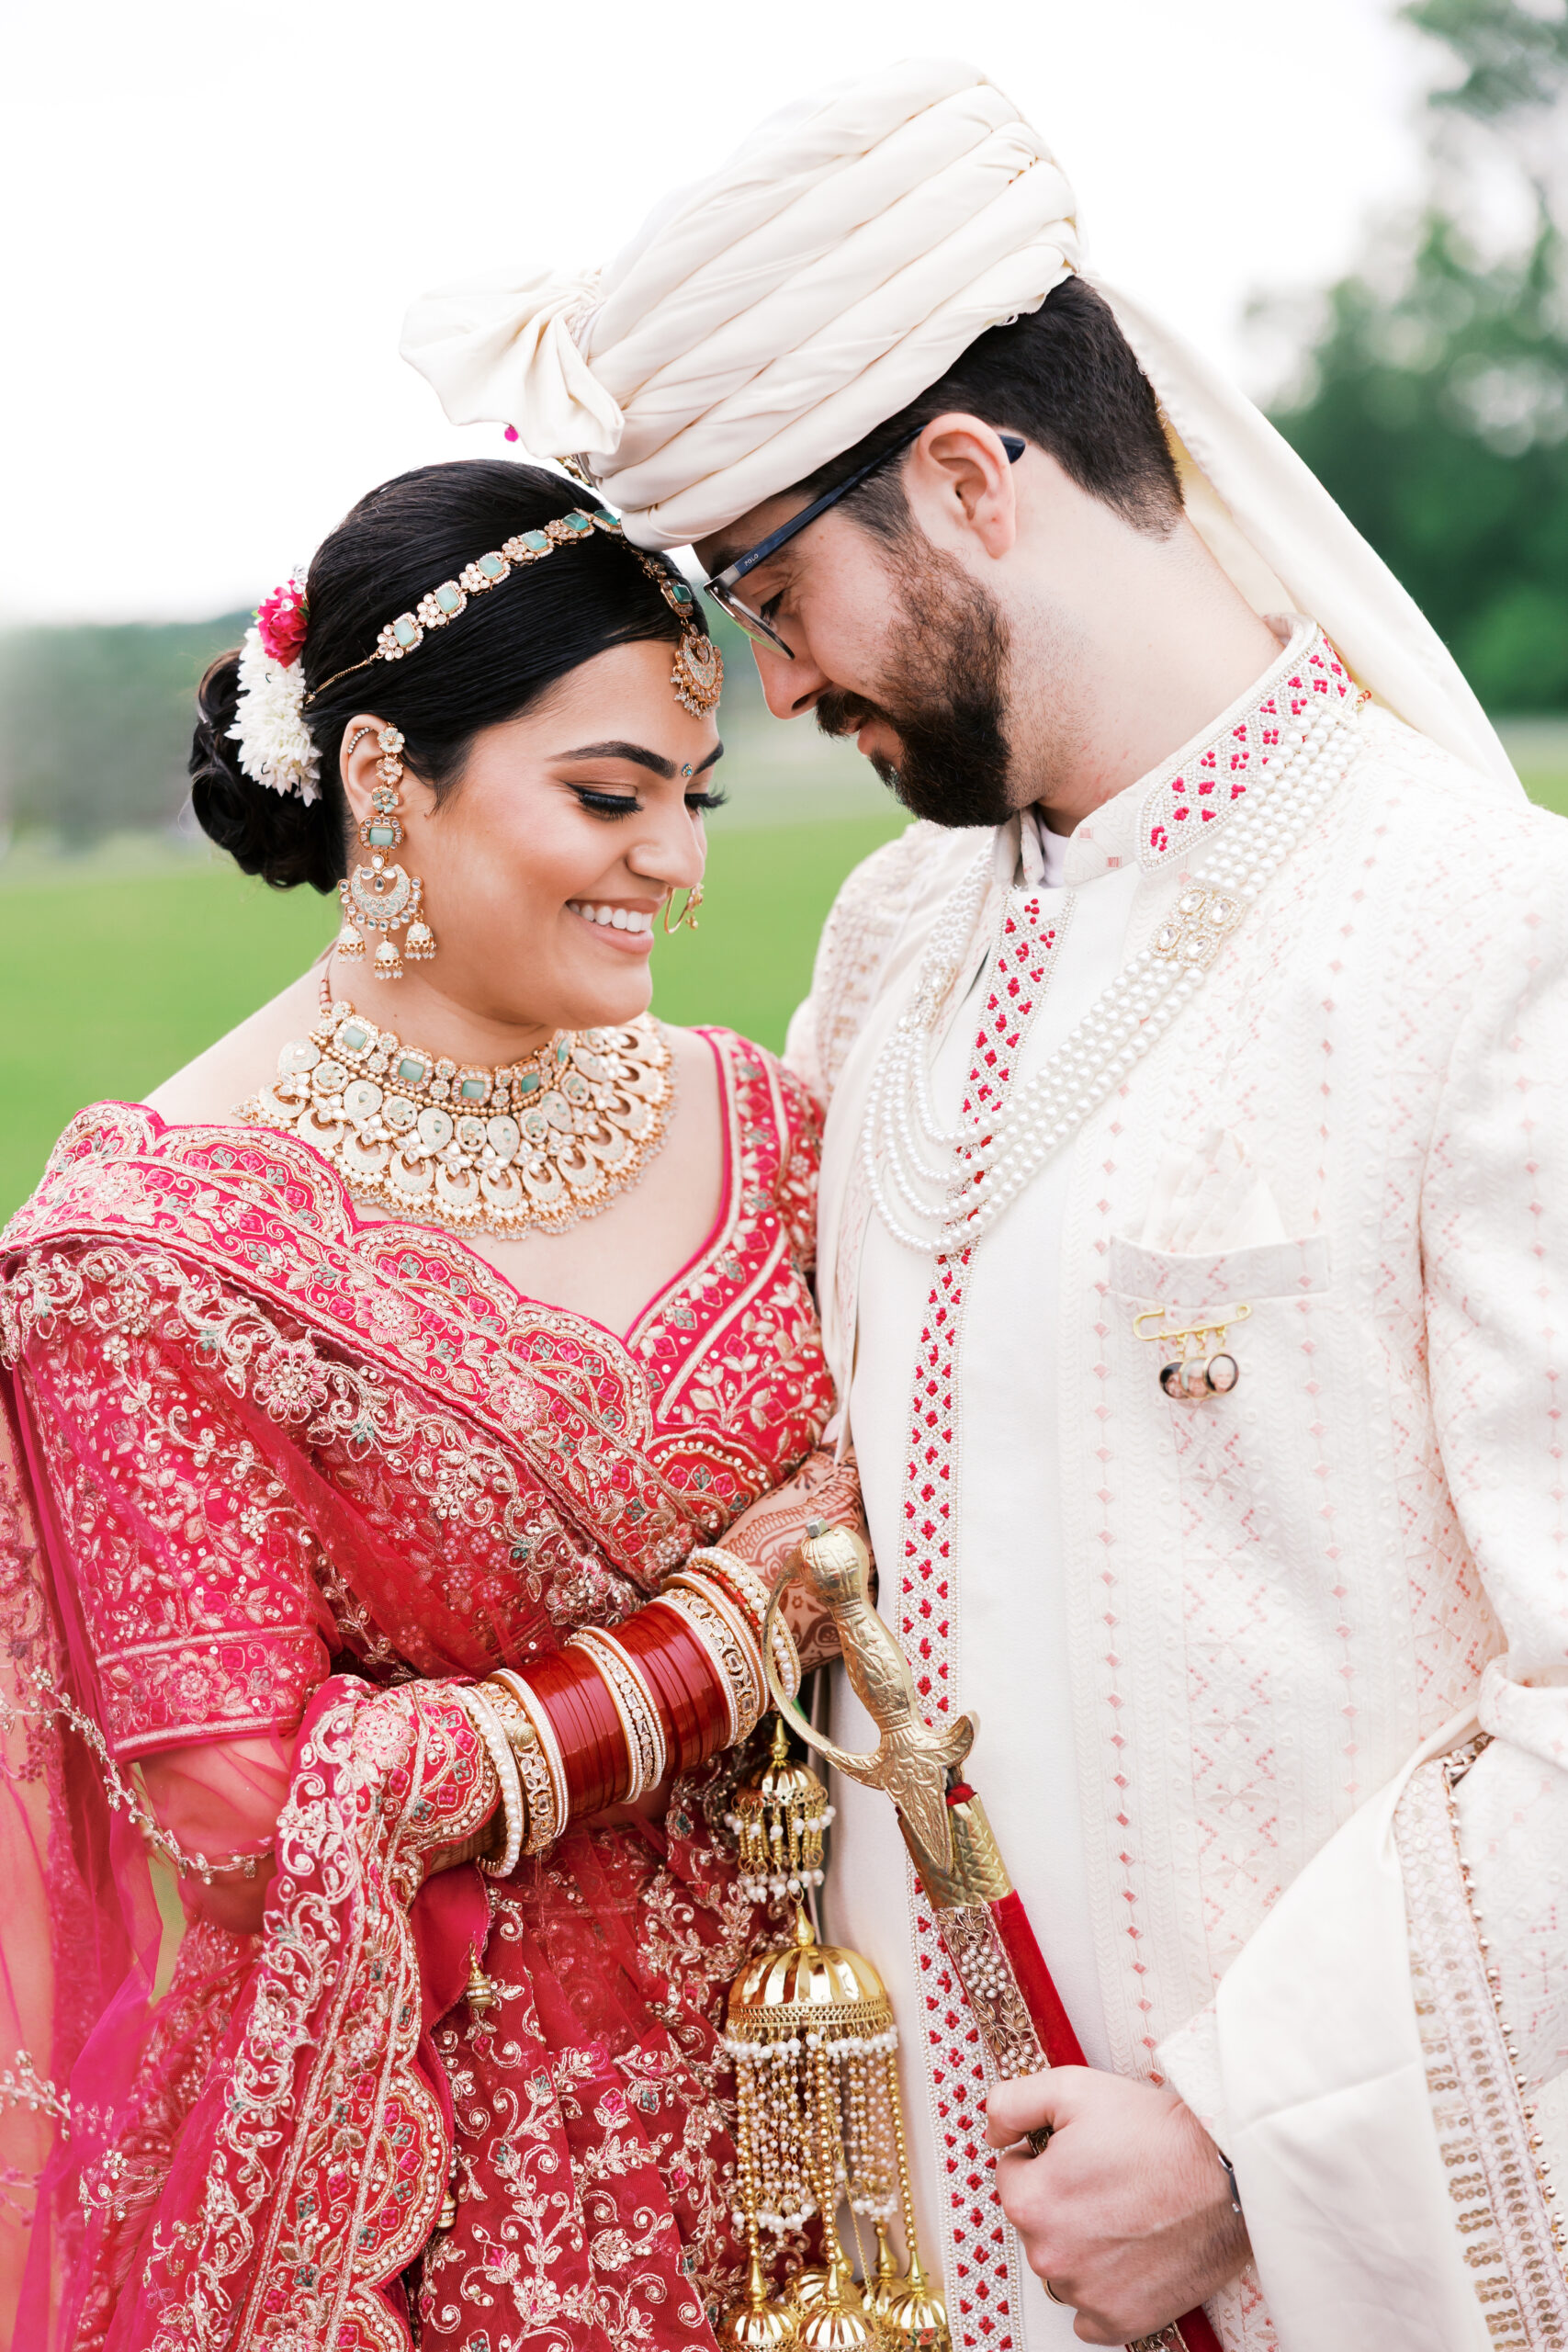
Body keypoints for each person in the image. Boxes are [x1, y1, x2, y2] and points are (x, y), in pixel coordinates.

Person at [401, 60, 1568, 2352]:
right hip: (921, 2251)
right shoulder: (893, 958)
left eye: (769, 584)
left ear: (965, 479)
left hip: (1302, 2246)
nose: (770, 677)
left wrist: (1242, 2135)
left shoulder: (1480, 942)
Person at [0, 457, 863, 2351]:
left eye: (690, 803)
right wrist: (728, 1631)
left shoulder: (764, 1121)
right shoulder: (149, 1249)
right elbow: (233, 1786)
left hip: (851, 2106)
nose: (681, 867)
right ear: (388, 775)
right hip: (469, 2206)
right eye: (609, 798)